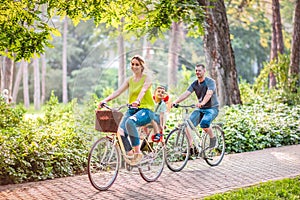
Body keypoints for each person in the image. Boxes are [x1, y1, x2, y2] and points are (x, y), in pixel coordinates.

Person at [98, 55, 155, 165]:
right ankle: (130, 154)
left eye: (137, 64)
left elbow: (143, 91)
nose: (134, 66)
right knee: (120, 131)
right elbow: (118, 92)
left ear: (142, 66)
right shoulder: (129, 80)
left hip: (146, 110)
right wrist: (105, 100)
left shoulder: (147, 78)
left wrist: (138, 101)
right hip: (132, 110)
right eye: (132, 64)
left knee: (130, 122)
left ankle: (138, 153)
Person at [171, 63, 219, 155]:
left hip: (212, 108)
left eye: (199, 70)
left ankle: (213, 138)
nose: (197, 72)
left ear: (204, 71)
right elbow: (186, 93)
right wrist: (176, 102)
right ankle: (191, 148)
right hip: (200, 109)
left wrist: (202, 103)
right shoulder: (195, 84)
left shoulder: (210, 82)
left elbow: (209, 94)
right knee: (187, 125)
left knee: (204, 124)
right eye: (196, 70)